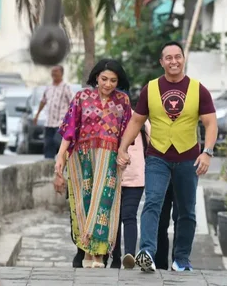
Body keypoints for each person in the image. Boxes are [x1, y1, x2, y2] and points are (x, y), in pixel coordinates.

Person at [117, 41, 218, 272]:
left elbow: (211, 122)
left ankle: (181, 259)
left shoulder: (198, 89)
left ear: (183, 59)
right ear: (161, 62)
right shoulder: (150, 89)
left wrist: (207, 152)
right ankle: (147, 253)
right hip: (158, 156)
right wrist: (123, 147)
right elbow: (136, 121)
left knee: (186, 210)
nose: (174, 61)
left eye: (177, 57)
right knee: (152, 202)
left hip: (188, 157)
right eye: (168, 58)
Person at [55, 59, 132, 268]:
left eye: (113, 80)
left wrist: (123, 152)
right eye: (104, 79)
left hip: (109, 160)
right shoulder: (82, 97)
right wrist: (60, 156)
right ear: (96, 77)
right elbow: (70, 129)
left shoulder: (123, 101)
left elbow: (127, 132)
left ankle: (98, 255)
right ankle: (86, 253)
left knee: (103, 206)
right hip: (82, 159)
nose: (108, 84)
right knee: (85, 204)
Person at [110, 117, 151, 269]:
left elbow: (152, 144)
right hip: (112, 176)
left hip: (135, 177)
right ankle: (115, 257)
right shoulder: (110, 116)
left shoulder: (140, 120)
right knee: (114, 218)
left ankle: (129, 255)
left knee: (128, 215)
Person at [34, 65, 73, 159]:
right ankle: (49, 163)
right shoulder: (48, 88)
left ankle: (62, 161)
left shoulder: (66, 87)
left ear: (62, 73)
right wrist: (37, 115)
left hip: (61, 122)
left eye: (56, 71)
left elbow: (72, 102)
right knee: (48, 143)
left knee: (58, 142)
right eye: (53, 71)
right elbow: (43, 101)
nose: (54, 73)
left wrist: (71, 118)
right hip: (49, 122)